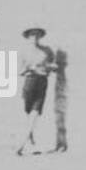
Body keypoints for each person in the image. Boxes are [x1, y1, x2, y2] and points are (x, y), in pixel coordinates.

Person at [17, 27, 56, 156]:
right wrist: (30, 68)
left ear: (40, 36)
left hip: (42, 82)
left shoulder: (47, 51)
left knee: (35, 113)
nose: (35, 37)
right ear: (28, 37)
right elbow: (19, 71)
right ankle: (31, 143)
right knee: (28, 113)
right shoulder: (23, 52)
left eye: (37, 35)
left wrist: (50, 67)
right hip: (30, 82)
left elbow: (54, 66)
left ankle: (21, 145)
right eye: (32, 35)